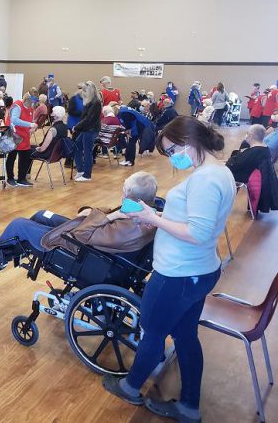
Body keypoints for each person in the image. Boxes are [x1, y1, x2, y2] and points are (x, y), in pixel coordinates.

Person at [103, 117, 235, 422]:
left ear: (189, 142)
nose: (173, 157)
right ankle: (189, 405)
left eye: (172, 150)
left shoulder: (204, 178)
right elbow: (195, 219)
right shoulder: (219, 171)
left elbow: (197, 232)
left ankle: (130, 386)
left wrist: (153, 219)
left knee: (153, 331)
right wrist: (160, 214)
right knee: (186, 336)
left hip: (178, 273)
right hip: (199, 269)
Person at [0, 171, 158, 254]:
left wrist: (107, 216)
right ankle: (11, 250)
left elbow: (81, 234)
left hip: (77, 245)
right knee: (42, 214)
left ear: (128, 193)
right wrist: (93, 212)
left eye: (123, 188)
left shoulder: (129, 226)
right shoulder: (143, 215)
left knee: (19, 224)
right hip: (90, 232)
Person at [5, 89, 38, 187]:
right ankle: (10, 178)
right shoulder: (18, 105)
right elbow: (14, 119)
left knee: (25, 157)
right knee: (12, 157)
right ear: (28, 100)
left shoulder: (31, 108)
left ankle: (21, 178)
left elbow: (30, 121)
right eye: (32, 103)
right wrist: (30, 124)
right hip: (14, 135)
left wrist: (32, 128)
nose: (33, 105)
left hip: (25, 136)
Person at [72, 81, 101, 182]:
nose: (82, 92)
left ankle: (87, 175)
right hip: (86, 129)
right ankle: (81, 170)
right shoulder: (90, 101)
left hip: (91, 130)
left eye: (84, 90)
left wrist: (76, 127)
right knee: (77, 147)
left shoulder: (95, 102)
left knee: (87, 151)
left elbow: (89, 119)